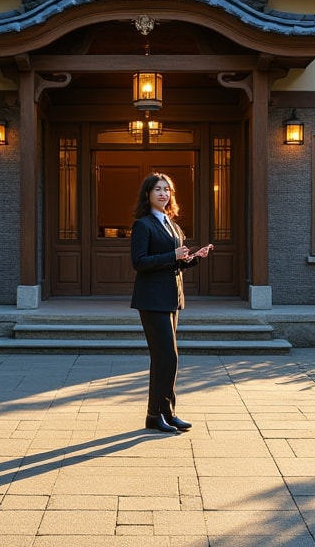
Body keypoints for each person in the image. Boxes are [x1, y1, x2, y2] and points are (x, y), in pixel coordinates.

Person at [130, 171, 213, 434]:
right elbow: (139, 262)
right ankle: (154, 415)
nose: (163, 193)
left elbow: (174, 261)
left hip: (171, 297)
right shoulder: (143, 225)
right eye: (158, 189)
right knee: (166, 357)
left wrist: (193, 258)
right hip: (151, 299)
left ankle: (167, 412)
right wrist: (172, 255)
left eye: (167, 189)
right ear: (147, 194)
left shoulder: (173, 225)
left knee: (169, 359)